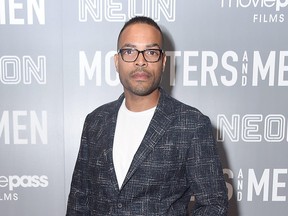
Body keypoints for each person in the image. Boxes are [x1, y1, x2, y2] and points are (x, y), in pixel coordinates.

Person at [66, 16, 228, 215]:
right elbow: (79, 199)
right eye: (129, 51)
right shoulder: (95, 121)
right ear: (117, 62)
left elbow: (214, 205)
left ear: (163, 61)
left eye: (151, 52)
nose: (140, 61)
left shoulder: (192, 125)